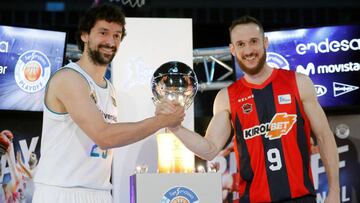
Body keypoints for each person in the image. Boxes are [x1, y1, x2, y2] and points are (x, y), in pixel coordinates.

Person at [159, 15, 340, 203]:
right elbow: (209, 149)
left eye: (253, 42)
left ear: (265, 42)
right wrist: (174, 127)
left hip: (300, 198)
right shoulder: (227, 98)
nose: (248, 50)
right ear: (232, 49)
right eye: (241, 44)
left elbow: (324, 136)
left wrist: (334, 191)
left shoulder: (298, 82)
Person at [32, 4, 184, 203]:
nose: (110, 42)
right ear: (85, 35)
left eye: (117, 35)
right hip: (62, 192)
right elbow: (103, 136)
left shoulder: (109, 89)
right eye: (103, 33)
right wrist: (162, 121)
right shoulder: (69, 78)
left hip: (100, 192)